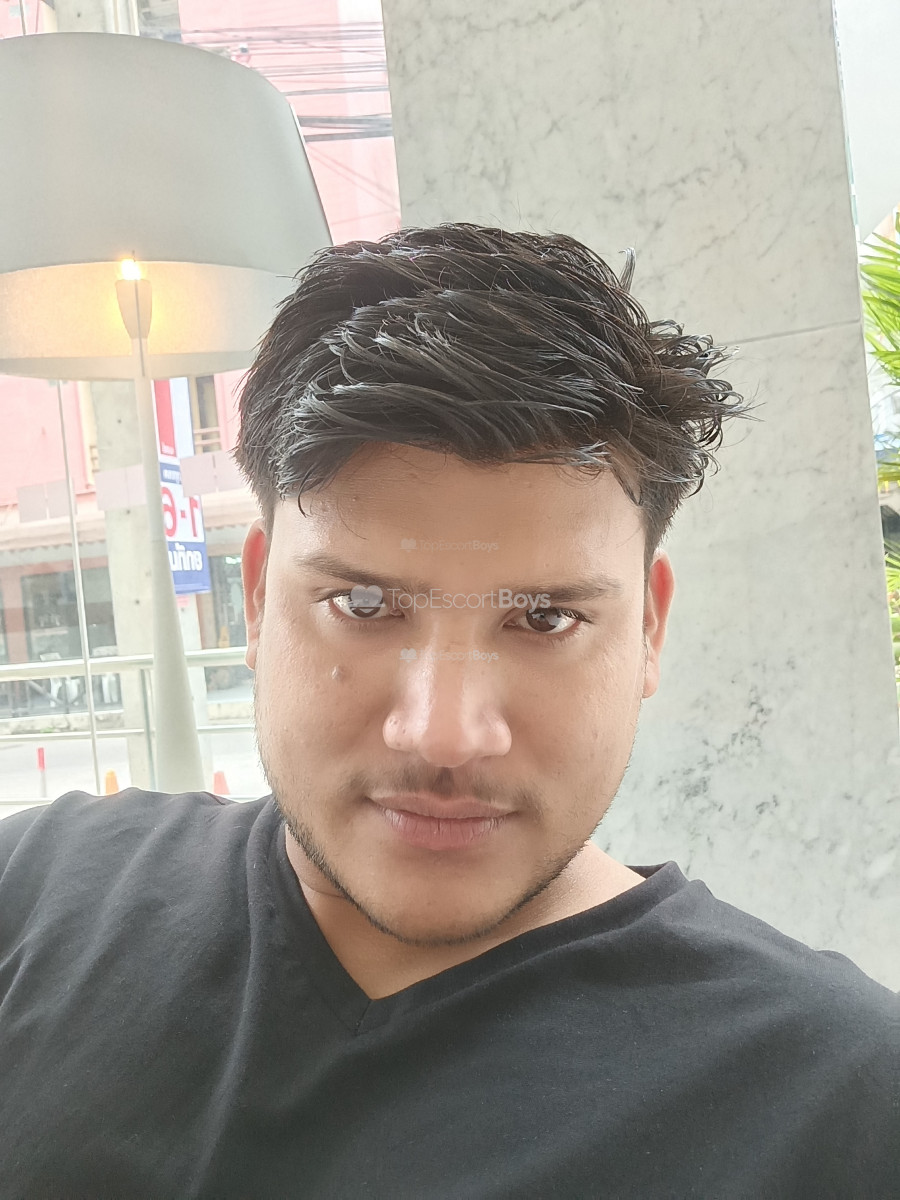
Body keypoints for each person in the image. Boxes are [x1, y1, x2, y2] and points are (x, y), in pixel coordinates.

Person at [0, 224, 896, 1199]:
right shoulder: (34, 890)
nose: (443, 733)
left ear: (648, 628)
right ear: (257, 599)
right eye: (363, 605)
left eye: (545, 618)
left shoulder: (842, 1103)